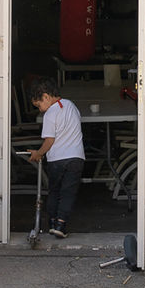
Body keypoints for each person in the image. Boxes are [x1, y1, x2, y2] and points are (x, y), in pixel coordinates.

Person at [27, 77, 86, 238]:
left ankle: (52, 222)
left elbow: (49, 141)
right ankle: (61, 224)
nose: (40, 110)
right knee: (68, 193)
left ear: (46, 97)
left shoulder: (50, 114)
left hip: (57, 160)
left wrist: (38, 153)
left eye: (39, 105)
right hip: (76, 158)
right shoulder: (71, 106)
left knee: (54, 191)